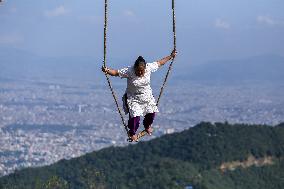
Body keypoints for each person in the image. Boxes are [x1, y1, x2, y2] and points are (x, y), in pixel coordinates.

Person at [102, 50, 177, 141]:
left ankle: (147, 125)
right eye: (138, 71)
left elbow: (160, 63)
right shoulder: (129, 71)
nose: (140, 73)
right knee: (135, 117)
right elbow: (115, 73)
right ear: (135, 68)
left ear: (145, 69)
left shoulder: (149, 67)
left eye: (142, 71)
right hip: (133, 98)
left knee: (151, 114)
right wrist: (107, 70)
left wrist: (171, 56)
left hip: (147, 97)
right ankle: (132, 132)